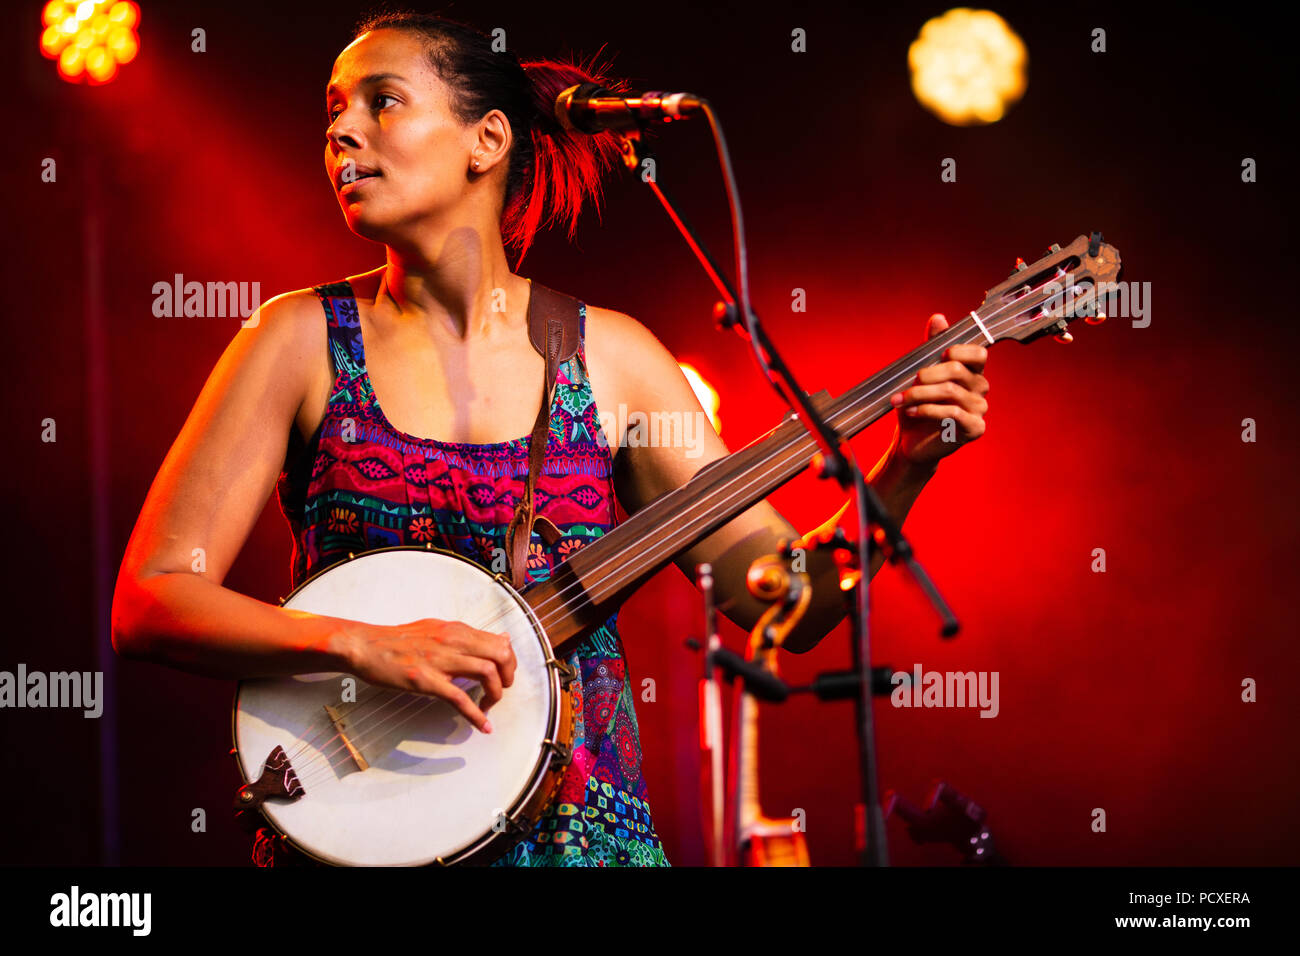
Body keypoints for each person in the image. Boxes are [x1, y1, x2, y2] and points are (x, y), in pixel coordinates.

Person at [110, 12, 991, 867]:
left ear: (486, 140)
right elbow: (151, 598)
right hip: (358, 832)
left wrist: (904, 466)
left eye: (380, 101)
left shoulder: (614, 359)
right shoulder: (294, 340)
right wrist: (359, 643)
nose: (342, 131)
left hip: (579, 843)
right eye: (332, 109)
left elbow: (787, 607)